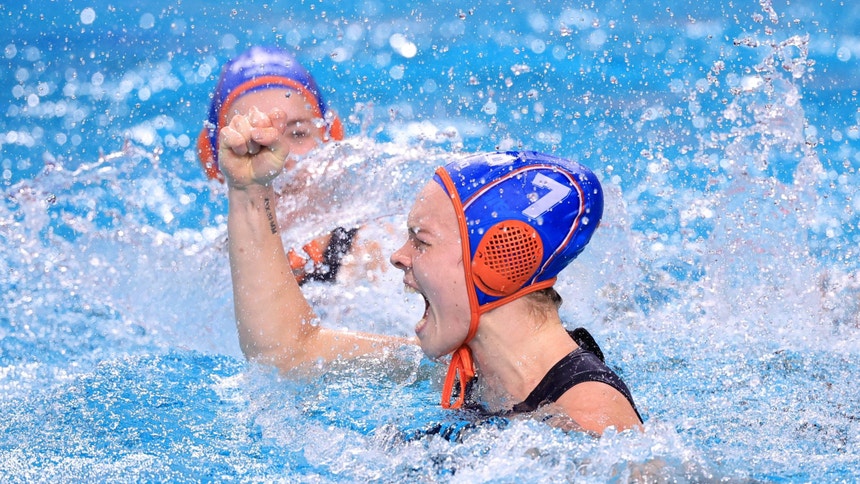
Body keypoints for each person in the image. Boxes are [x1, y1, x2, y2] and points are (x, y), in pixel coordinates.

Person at [218, 106, 643, 435]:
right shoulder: (475, 373)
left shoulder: (589, 421)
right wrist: (249, 190)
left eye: (421, 240)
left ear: (497, 259)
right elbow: (288, 351)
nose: (397, 256)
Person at [197, 46, 357, 285]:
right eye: (255, 140)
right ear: (215, 162)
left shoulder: (374, 255)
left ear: (332, 139)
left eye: (298, 133)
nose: (278, 158)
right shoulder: (205, 275)